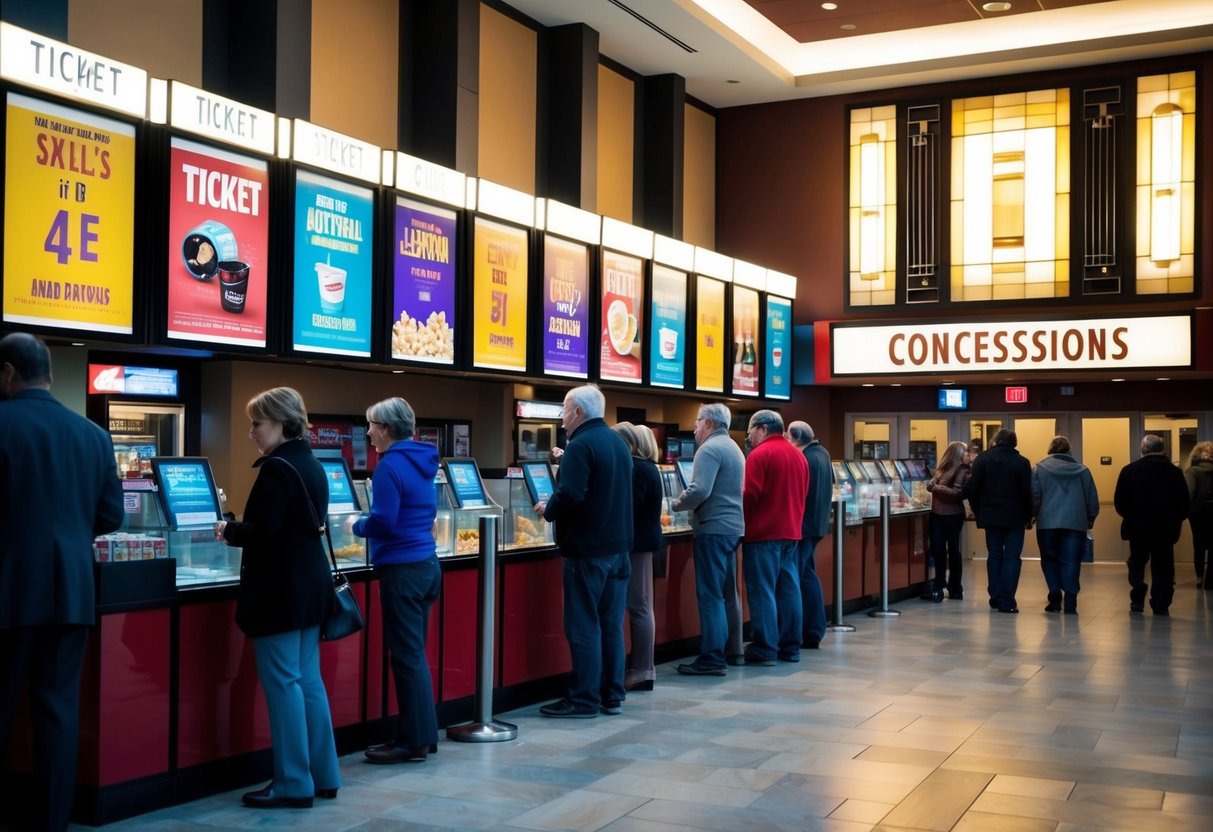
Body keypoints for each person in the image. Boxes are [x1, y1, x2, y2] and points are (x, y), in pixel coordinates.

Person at [0, 333, 124, 832]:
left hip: (8, 591)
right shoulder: (92, 435)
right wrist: (70, 534)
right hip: (71, 594)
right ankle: (51, 822)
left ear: (7, 373)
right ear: (48, 374)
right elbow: (112, 515)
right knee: (57, 711)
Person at [215, 387, 340, 809]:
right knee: (307, 682)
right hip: (309, 590)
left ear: (282, 423)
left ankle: (291, 783)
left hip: (279, 594)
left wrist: (228, 530)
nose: (251, 431)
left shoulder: (276, 469)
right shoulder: (312, 464)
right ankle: (324, 773)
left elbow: (262, 532)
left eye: (257, 423)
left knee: (284, 684)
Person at [344, 397, 442, 761]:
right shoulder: (422, 462)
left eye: (371, 425)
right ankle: (423, 735)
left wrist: (355, 525)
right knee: (413, 654)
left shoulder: (388, 468)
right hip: (427, 566)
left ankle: (412, 742)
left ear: (385, 428)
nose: (368, 432)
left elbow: (384, 520)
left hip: (402, 570)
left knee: (406, 657)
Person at [535, 385, 633, 717]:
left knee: (583, 625)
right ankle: (612, 694)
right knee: (611, 625)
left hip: (588, 551)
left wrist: (548, 508)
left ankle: (584, 698)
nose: (561, 417)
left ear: (577, 411)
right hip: (619, 550)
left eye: (564, 409)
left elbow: (572, 494)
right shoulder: (618, 444)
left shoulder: (579, 445)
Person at [671, 403, 746, 676]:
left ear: (709, 424)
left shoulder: (709, 449)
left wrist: (675, 504)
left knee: (710, 595)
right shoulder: (734, 448)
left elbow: (699, 489)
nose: (694, 427)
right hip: (733, 528)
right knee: (724, 593)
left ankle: (712, 657)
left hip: (713, 529)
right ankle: (726, 651)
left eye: (697, 421)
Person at [740, 410, 807, 665]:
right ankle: (791, 648)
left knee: (762, 592)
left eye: (750, 432)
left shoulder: (760, 455)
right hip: (791, 533)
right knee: (789, 590)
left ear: (762, 429)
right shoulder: (798, 456)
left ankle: (765, 647)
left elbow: (749, 495)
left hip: (763, 534)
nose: (749, 438)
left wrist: (745, 525)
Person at [612, 422, 663, 691]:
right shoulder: (648, 468)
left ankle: (643, 669)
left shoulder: (637, 470)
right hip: (644, 542)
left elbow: (627, 507)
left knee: (639, 606)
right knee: (641, 605)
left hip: (637, 545)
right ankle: (643, 668)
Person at [1114, 434, 1190, 615]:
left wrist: (1131, 516)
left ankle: (1137, 597)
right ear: (1162, 449)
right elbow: (1184, 503)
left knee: (1137, 562)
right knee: (1163, 566)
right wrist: (1175, 519)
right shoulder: (1175, 472)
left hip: (1137, 528)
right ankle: (1160, 603)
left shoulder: (1129, 471)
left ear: (1143, 449)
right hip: (1165, 529)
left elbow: (1120, 502)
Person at [962, 428, 1032, 613]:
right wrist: (1029, 516)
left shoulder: (982, 460)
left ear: (996, 441)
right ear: (1014, 443)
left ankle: (994, 595)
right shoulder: (1022, 463)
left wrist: (978, 511)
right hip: (1015, 517)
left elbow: (973, 489)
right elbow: (1027, 493)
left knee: (994, 555)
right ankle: (1007, 600)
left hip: (991, 516)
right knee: (1012, 557)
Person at [1031, 436, 1099, 615]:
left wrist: (1033, 515)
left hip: (1047, 523)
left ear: (1050, 450)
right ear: (1069, 450)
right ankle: (1070, 599)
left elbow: (1035, 496)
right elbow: (1092, 498)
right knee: (1071, 561)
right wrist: (1090, 518)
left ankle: (1054, 590)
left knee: (1049, 558)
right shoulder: (1083, 471)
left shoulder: (1039, 469)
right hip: (1076, 523)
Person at [787, 421, 829, 648]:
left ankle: (809, 630)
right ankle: (813, 629)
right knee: (807, 574)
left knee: (800, 577)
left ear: (795, 438)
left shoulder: (805, 458)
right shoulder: (822, 454)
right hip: (817, 524)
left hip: (803, 526)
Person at [923, 441, 971, 602]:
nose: (967, 455)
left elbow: (956, 493)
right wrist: (932, 482)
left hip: (953, 515)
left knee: (953, 551)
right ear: (956, 453)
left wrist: (933, 487)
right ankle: (939, 584)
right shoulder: (941, 469)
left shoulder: (962, 470)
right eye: (965, 452)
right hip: (937, 513)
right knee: (937, 550)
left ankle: (955, 587)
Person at [1184, 441, 1213, 589]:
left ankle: (1200, 577)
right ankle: (1211, 580)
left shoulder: (1193, 471)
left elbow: (1188, 493)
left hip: (1198, 514)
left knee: (1199, 545)